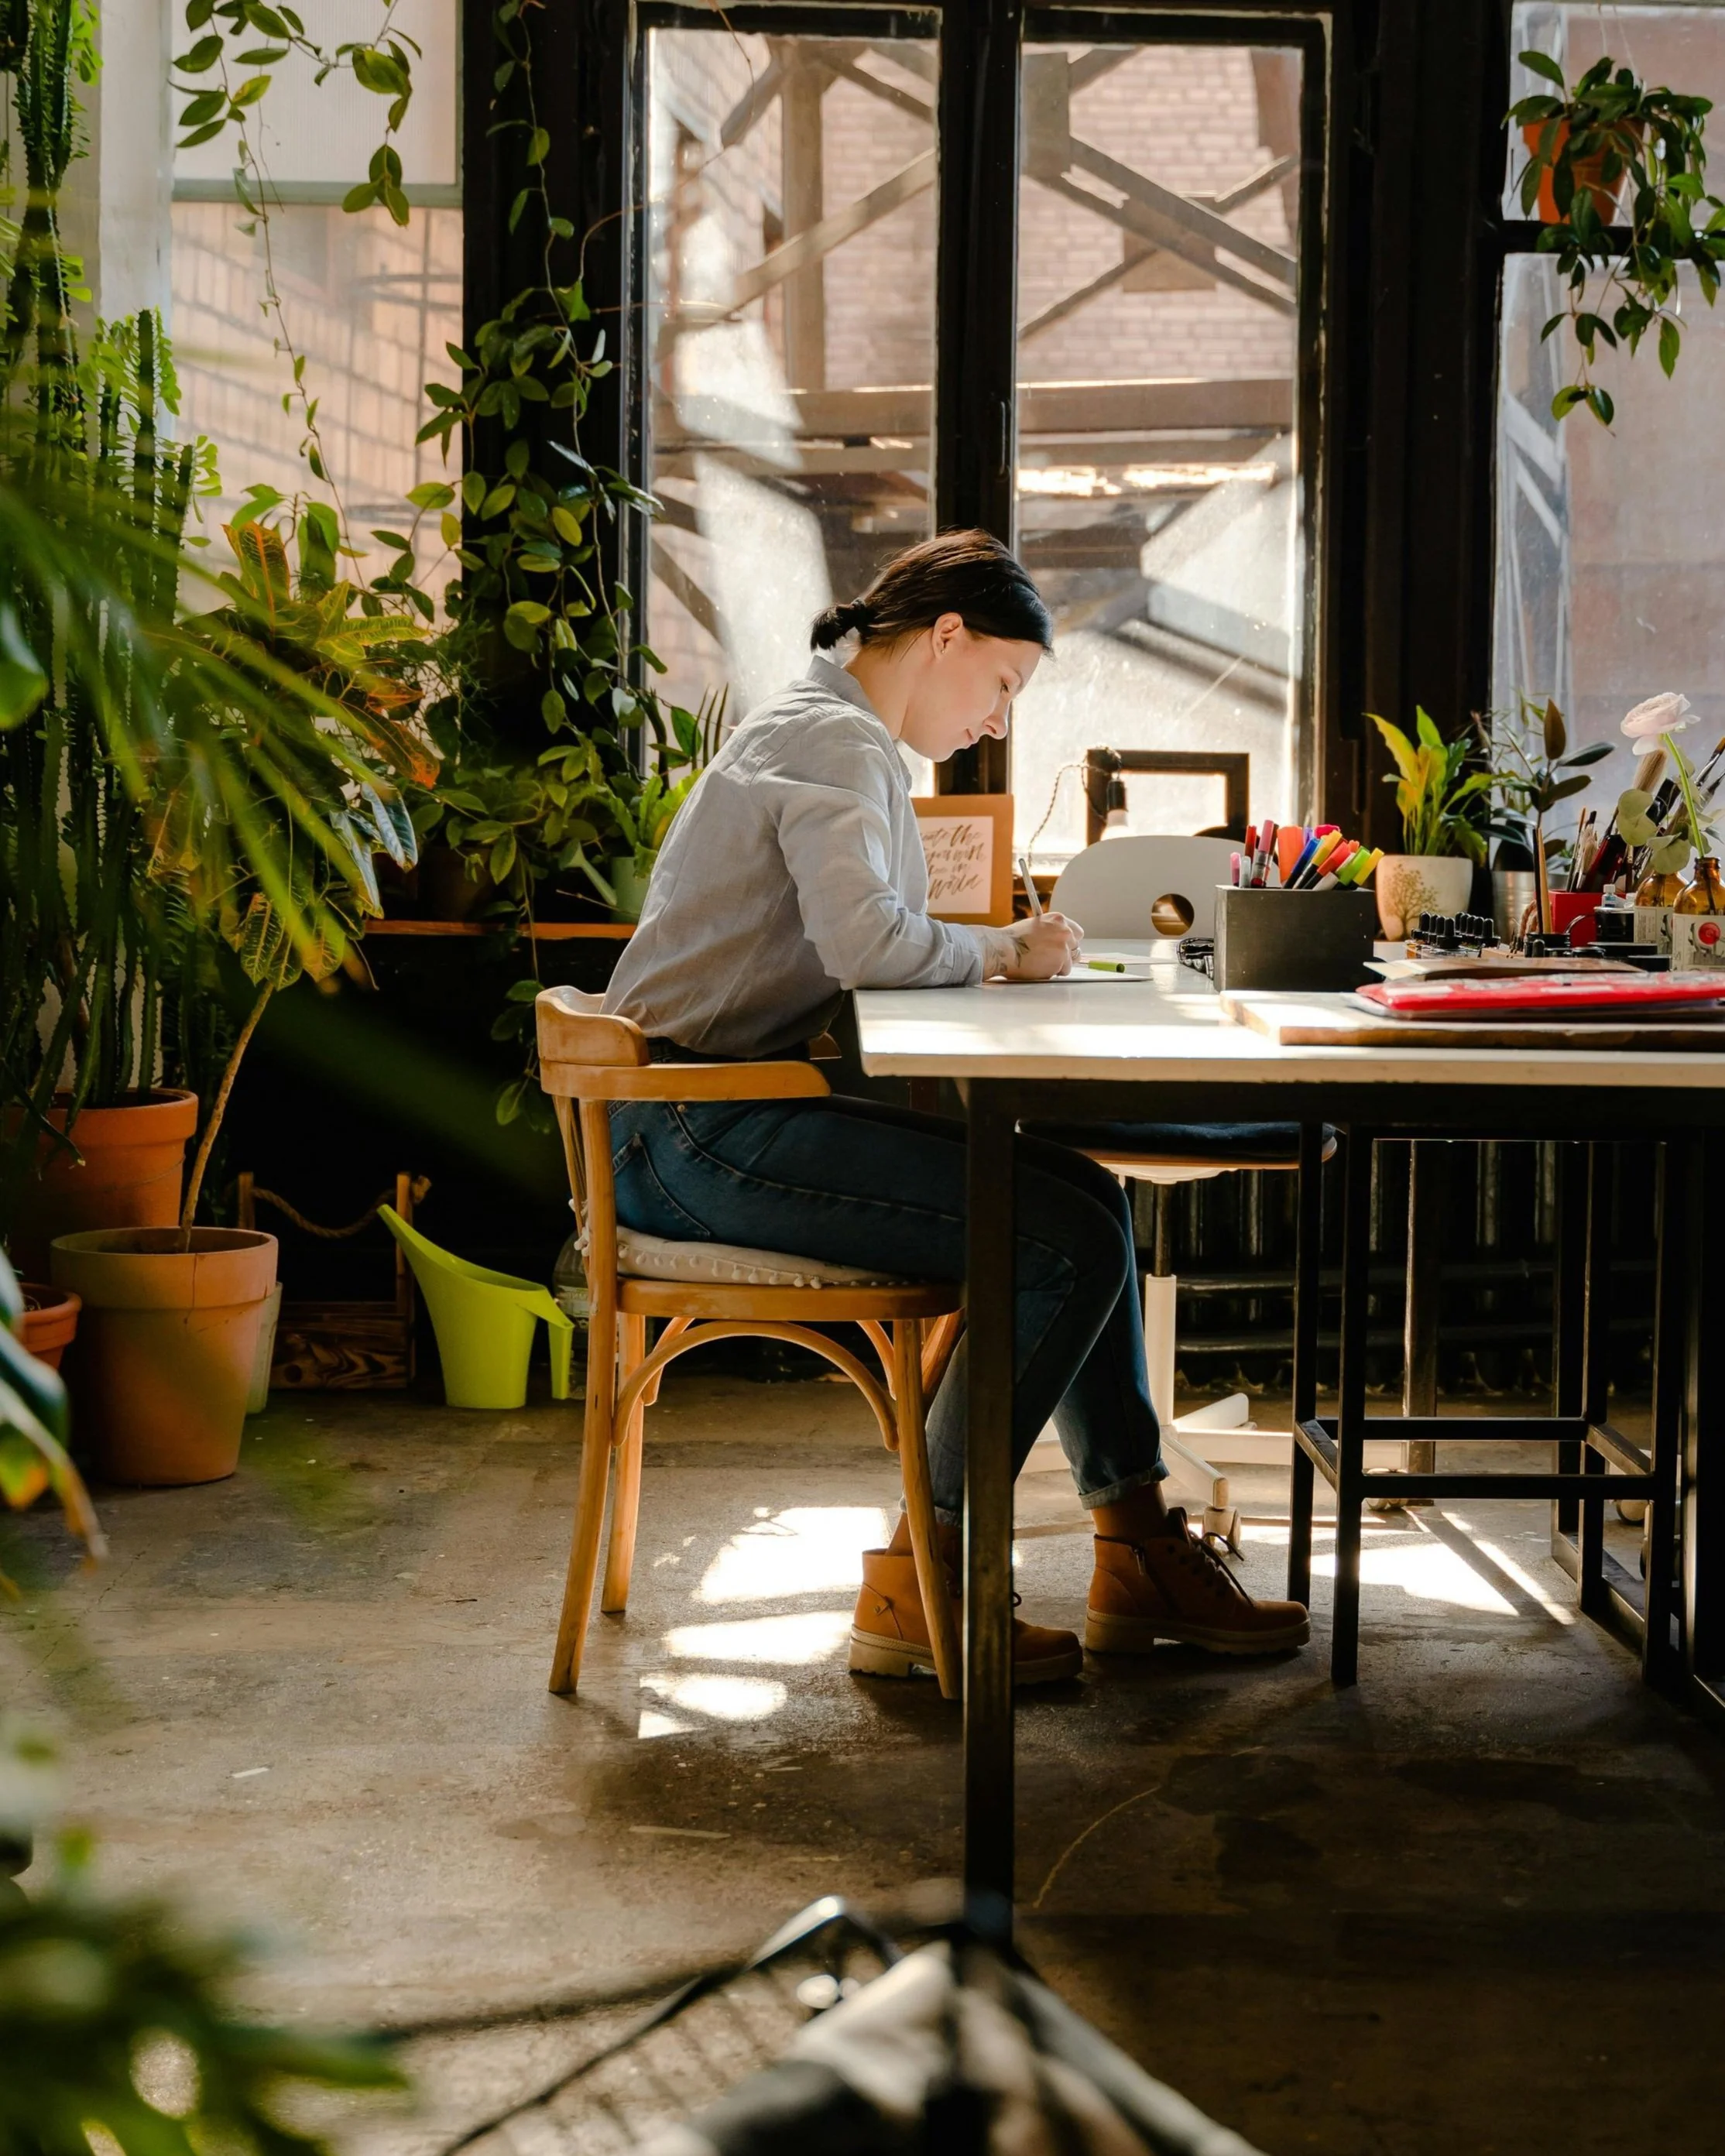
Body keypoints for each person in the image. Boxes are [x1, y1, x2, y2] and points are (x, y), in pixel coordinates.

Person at [602, 530, 1308, 1683]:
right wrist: (1008, 955)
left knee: (1078, 1199)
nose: (996, 718)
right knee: (1068, 1235)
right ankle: (926, 1578)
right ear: (945, 638)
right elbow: (868, 943)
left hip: (694, 1112)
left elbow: (854, 940)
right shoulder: (839, 742)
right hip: (694, 1128)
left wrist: (992, 954)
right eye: (1004, 684)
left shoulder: (814, 727)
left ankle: (1132, 1550)